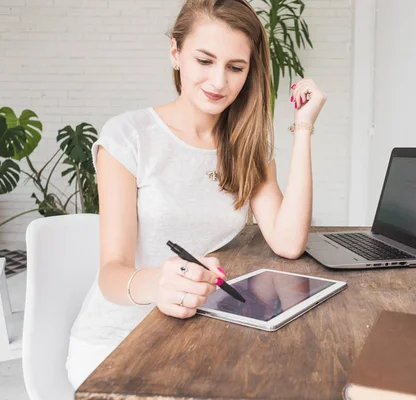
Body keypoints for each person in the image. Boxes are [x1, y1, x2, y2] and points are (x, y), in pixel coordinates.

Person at [66, 0, 327, 389]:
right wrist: (160, 283)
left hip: (200, 335)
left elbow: (288, 242)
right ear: (175, 52)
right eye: (204, 61)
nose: (219, 82)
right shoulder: (128, 136)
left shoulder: (245, 147)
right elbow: (111, 275)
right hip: (116, 344)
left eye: (235, 67)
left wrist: (303, 128)